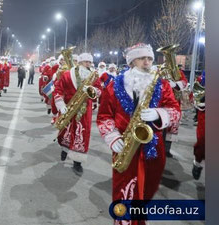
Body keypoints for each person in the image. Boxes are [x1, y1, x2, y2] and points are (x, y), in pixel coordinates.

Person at [96, 43, 180, 225]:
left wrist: (159, 114)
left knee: (147, 190)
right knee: (123, 190)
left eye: (150, 58)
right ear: (132, 61)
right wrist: (112, 137)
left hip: (153, 147)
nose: (147, 62)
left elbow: (175, 111)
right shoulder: (114, 85)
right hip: (124, 146)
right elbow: (104, 116)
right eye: (143, 58)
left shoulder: (162, 84)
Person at [53, 53, 102, 176]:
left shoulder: (94, 75)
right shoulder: (67, 74)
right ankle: (64, 149)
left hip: (85, 110)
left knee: (82, 133)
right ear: (79, 62)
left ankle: (77, 161)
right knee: (66, 130)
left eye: (90, 62)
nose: (88, 64)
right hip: (69, 106)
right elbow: (58, 90)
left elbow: (100, 91)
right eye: (85, 62)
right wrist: (61, 104)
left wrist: (93, 90)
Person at [192, 71, 205, 180]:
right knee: (202, 141)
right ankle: (197, 163)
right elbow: (196, 96)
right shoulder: (202, 79)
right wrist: (200, 103)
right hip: (206, 114)